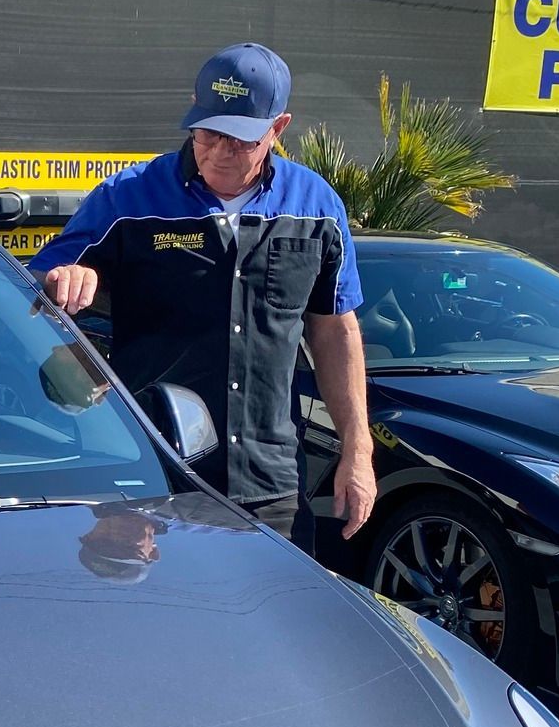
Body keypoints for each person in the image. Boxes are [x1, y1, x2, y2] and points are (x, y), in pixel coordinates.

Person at [32, 43, 375, 545]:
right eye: (207, 132)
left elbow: (334, 329)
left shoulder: (316, 207)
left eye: (238, 140)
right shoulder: (129, 198)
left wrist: (358, 451)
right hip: (152, 483)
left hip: (271, 487)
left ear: (277, 129)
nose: (217, 152)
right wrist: (63, 276)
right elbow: (37, 283)